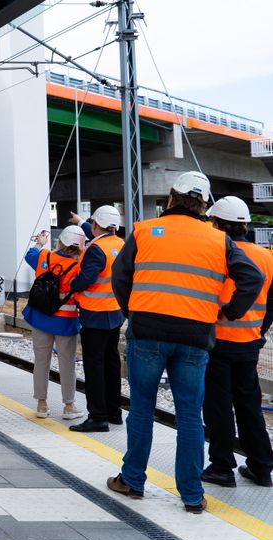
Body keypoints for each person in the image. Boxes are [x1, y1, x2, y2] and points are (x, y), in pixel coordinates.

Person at [107, 171, 262, 514]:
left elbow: (120, 275)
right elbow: (253, 277)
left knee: (143, 408)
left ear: (171, 199)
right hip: (194, 338)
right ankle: (192, 495)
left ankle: (132, 480)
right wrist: (229, 312)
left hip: (146, 332)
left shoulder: (143, 230)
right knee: (190, 415)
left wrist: (131, 310)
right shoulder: (218, 240)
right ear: (205, 206)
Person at [202, 196, 273, 488]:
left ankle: (222, 466)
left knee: (218, 405)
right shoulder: (267, 256)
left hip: (218, 341)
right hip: (249, 342)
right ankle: (261, 466)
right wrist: (259, 331)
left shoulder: (217, 253)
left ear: (218, 224)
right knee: (249, 404)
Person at [67, 205, 126, 433]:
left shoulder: (95, 249)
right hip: (115, 313)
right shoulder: (120, 245)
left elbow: (87, 278)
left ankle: (98, 417)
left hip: (95, 314)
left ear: (96, 225)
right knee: (112, 363)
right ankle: (114, 412)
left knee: (94, 366)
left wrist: (72, 284)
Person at [22, 225, 86, 420]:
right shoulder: (80, 266)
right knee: (67, 364)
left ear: (61, 241)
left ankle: (41, 405)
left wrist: (40, 243)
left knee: (41, 361)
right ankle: (69, 406)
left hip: (41, 318)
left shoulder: (45, 257)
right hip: (66, 322)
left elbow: (29, 254)